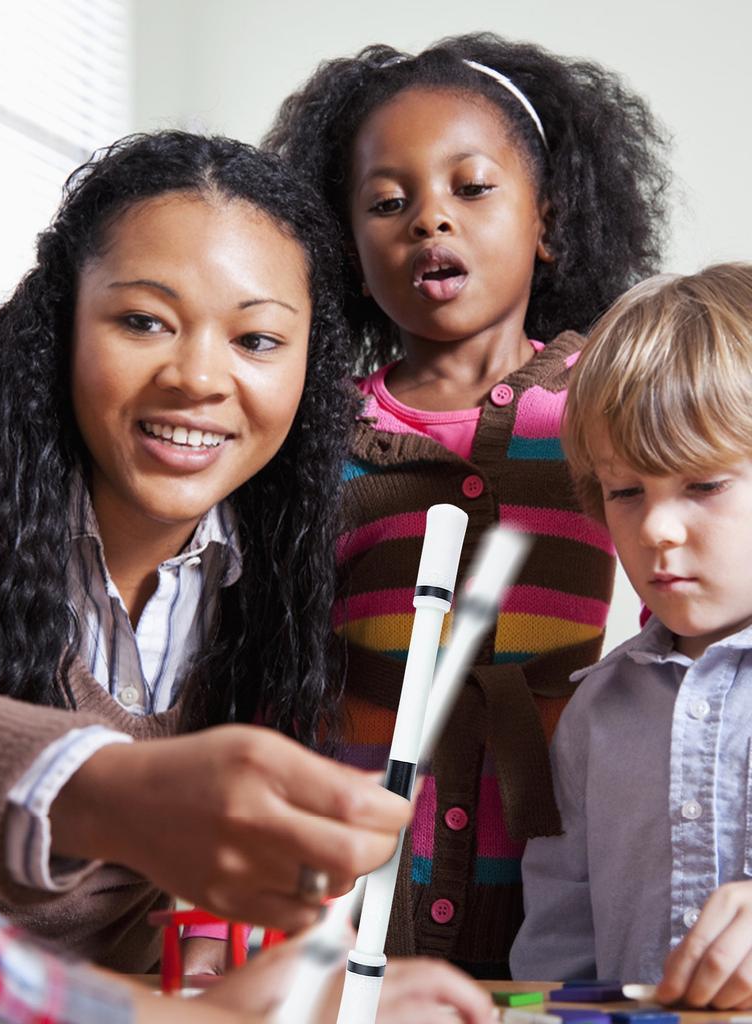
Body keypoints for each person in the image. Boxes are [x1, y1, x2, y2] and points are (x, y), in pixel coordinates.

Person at [0, 131, 498, 1023]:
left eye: (256, 339)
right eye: (142, 322)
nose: (199, 377)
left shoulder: (281, 540)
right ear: (60, 320)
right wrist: (110, 794)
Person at [253, 33, 673, 976]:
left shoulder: (607, 401)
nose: (428, 222)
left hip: (563, 848)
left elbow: (679, 611)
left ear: (548, 223)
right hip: (367, 862)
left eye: (471, 189)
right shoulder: (316, 431)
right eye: (388, 203)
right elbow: (280, 645)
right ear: (346, 252)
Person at [511, 263, 752, 1010]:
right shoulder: (596, 714)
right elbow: (558, 945)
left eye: (704, 485)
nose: (656, 528)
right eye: (626, 492)